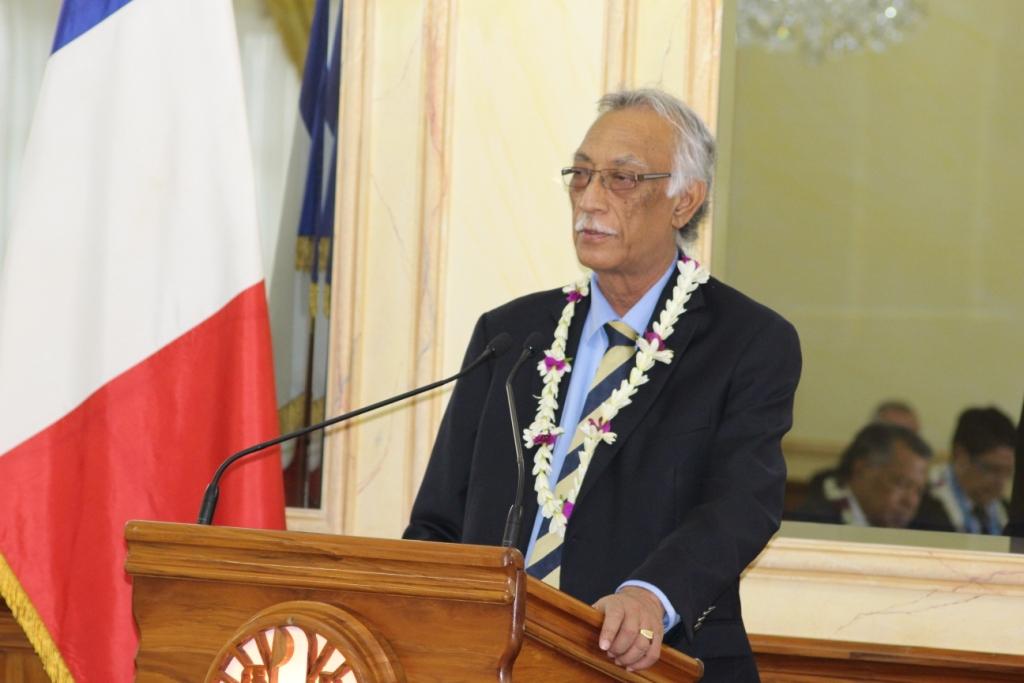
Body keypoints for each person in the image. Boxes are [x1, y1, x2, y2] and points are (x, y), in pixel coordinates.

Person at [403, 88, 801, 681]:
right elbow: (439, 519)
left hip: (648, 662)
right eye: (581, 175)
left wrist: (649, 596)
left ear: (683, 201)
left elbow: (742, 503)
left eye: (622, 179)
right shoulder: (511, 336)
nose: (589, 200)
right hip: (487, 661)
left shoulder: (747, 342)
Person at [789, 423, 932, 528]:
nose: (911, 502)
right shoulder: (813, 524)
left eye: (918, 491)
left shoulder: (919, 527)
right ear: (861, 469)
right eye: (901, 484)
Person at [913, 407, 1016, 534]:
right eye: (992, 469)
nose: (1000, 482)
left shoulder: (1007, 512)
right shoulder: (919, 507)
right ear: (960, 455)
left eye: (1008, 472)